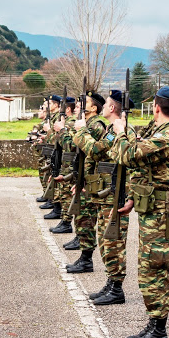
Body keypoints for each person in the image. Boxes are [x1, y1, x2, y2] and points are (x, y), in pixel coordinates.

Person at [110, 86, 169, 338]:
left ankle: (159, 331)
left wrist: (120, 133)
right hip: (152, 206)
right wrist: (132, 195)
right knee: (148, 267)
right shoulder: (162, 132)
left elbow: (128, 155)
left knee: (155, 267)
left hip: (162, 210)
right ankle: (154, 325)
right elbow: (146, 168)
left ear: (156, 107)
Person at [72, 90, 136, 303]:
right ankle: (111, 281)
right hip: (106, 192)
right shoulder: (111, 129)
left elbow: (97, 151)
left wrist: (81, 133)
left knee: (113, 241)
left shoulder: (121, 131)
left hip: (115, 192)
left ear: (111, 108)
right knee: (105, 239)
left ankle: (117, 288)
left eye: (107, 103)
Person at [63, 93, 106, 258]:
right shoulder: (87, 124)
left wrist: (76, 130)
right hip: (84, 176)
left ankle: (86, 258)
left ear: (94, 108)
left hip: (91, 179)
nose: (80, 105)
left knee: (86, 217)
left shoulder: (96, 126)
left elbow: (82, 148)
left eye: (85, 102)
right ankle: (83, 252)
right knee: (81, 216)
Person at [50, 96, 78, 234]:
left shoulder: (72, 122)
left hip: (69, 164)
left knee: (67, 194)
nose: (78, 109)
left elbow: (69, 144)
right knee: (64, 193)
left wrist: (60, 130)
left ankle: (66, 221)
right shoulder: (69, 122)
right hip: (66, 163)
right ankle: (64, 220)